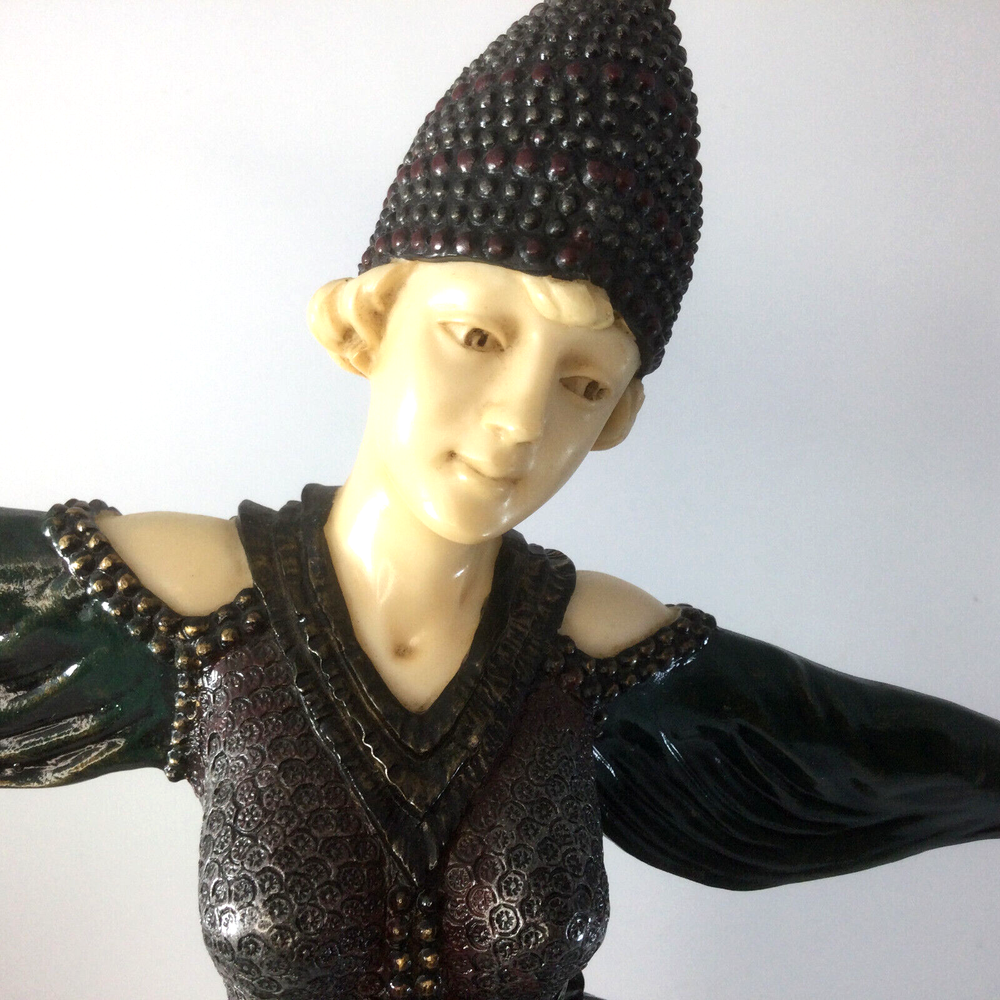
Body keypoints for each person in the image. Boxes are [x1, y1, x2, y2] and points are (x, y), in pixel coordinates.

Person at [2, 2, 998, 999]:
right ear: (374, 318)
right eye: (476, 337)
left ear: (616, 415)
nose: (522, 420)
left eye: (582, 384)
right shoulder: (196, 604)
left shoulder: (597, 650)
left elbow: (870, 753)